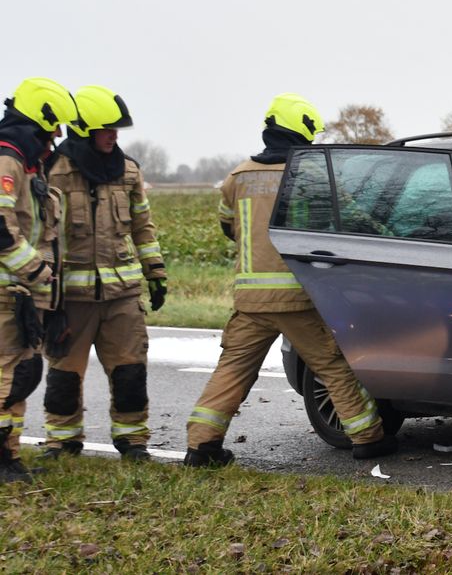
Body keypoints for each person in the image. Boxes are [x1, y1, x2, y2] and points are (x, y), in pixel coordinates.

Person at [183, 93, 397, 467]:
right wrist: (387, 238)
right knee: (331, 365)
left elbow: (227, 228)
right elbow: (348, 218)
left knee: (232, 370)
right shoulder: (308, 174)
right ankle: (368, 438)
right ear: (300, 133)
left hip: (250, 301)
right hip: (297, 297)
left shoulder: (237, 177)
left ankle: (201, 446)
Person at [40, 85, 165, 463]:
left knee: (129, 371)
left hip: (122, 297)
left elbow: (143, 226)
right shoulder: (53, 171)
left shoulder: (128, 171)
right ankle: (62, 441)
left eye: (117, 130)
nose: (114, 136)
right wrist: (44, 291)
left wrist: (155, 271)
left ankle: (133, 441)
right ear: (84, 130)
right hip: (70, 299)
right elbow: (41, 234)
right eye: (107, 129)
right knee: (64, 375)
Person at [0, 77, 70, 483]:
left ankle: (10, 455)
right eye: (51, 130)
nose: (54, 139)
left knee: (21, 375)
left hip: (24, 292)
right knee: (9, 375)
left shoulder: (27, 163)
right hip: (11, 289)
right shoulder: (7, 159)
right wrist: (35, 270)